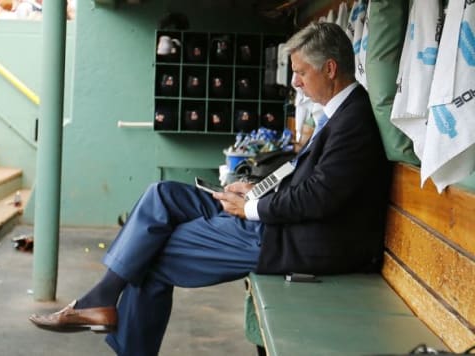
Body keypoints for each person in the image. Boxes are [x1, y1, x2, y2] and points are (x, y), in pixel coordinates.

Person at [29, 22, 391, 355]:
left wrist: (250, 208)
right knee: (162, 194)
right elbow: (308, 180)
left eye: (300, 72)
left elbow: (319, 197)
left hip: (294, 242)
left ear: (329, 69)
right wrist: (255, 190)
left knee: (148, 255)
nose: (295, 82)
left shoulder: (353, 121)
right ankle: (101, 299)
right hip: (280, 222)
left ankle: (102, 303)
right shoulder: (339, 116)